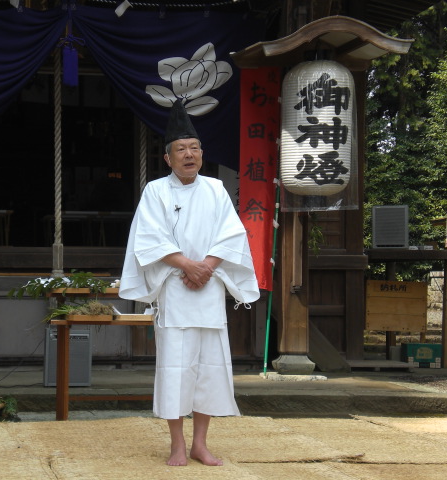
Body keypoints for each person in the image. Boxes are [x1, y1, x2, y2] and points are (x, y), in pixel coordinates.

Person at [119, 100, 260, 466]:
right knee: (175, 369)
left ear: (202, 154)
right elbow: (148, 237)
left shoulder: (215, 189)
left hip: (208, 289)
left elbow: (232, 235)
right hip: (175, 288)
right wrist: (185, 265)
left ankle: (201, 442)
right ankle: (177, 444)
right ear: (168, 158)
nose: (189, 155)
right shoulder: (155, 191)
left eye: (194, 148)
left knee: (210, 368)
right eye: (181, 149)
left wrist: (207, 268)